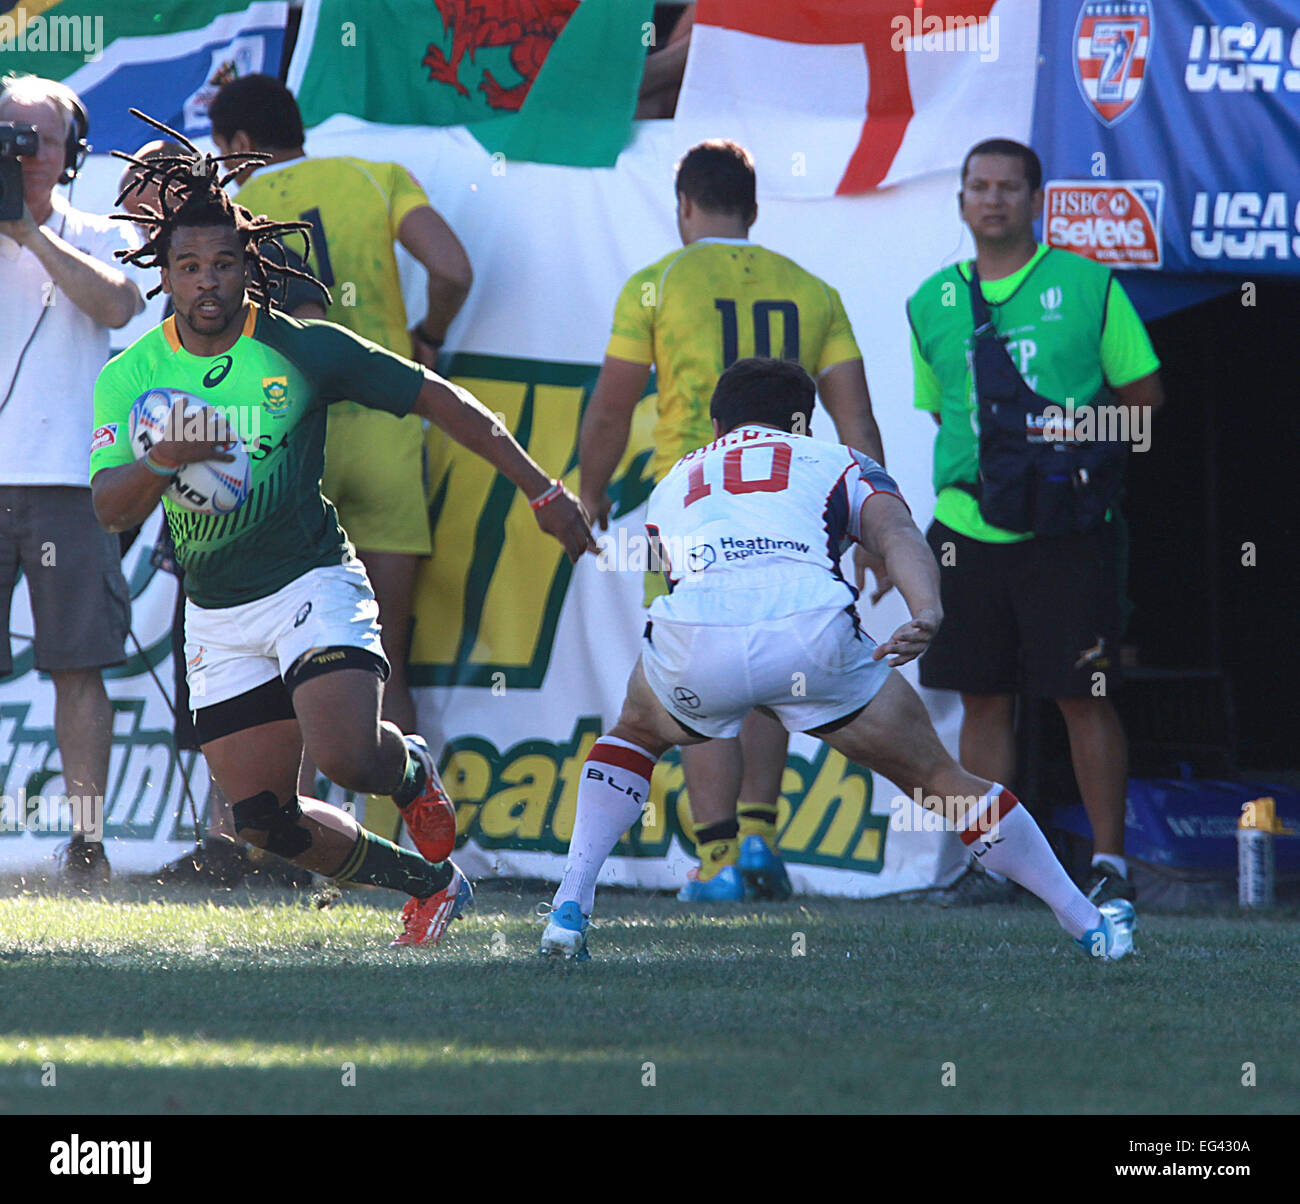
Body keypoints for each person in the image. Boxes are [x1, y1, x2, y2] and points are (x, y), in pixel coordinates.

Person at [90, 120, 595, 945]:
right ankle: (431, 886)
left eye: (223, 263)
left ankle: (407, 768)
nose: (207, 281)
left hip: (310, 582)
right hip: (218, 615)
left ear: (249, 264)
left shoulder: (303, 349)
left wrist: (542, 490)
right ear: (166, 275)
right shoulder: (131, 376)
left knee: (350, 756)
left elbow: (438, 397)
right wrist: (166, 459)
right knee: (262, 821)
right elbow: (111, 507)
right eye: (189, 266)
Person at [541, 358, 1135, 962]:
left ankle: (569, 908)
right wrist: (925, 608)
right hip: (810, 633)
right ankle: (1089, 923)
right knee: (939, 781)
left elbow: (681, 570)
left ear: (717, 426)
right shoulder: (837, 459)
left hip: (698, 636)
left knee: (634, 734)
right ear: (805, 421)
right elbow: (898, 533)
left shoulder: (674, 479)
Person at [579, 138, 886, 902]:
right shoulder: (811, 288)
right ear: (754, 209)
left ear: (684, 205)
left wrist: (588, 493)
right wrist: (879, 525)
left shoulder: (658, 282)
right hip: (797, 503)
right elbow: (858, 421)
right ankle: (759, 839)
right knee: (775, 656)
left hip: (697, 500)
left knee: (700, 668)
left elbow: (612, 407)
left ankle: (715, 861)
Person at [208, 75, 474, 838]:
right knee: (385, 653)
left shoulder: (231, 211)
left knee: (270, 651)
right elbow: (454, 269)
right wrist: (425, 336)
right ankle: (413, 841)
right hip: (387, 433)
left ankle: (274, 837)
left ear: (234, 147)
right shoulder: (376, 177)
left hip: (290, 448)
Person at [906, 138, 1164, 907]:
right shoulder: (930, 301)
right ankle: (992, 865)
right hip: (965, 526)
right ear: (960, 201)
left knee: (1082, 694)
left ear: (1036, 199)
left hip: (1067, 527)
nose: (992, 200)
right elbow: (943, 415)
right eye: (978, 186)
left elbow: (1147, 413)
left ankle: (1110, 864)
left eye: (1008, 188)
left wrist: (1075, 433)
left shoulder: (1088, 284)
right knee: (980, 697)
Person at [118, 139, 324, 887]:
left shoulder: (244, 285)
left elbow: (307, 337)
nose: (136, 214)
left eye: (144, 197)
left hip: (282, 514)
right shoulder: (165, 294)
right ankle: (229, 838)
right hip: (197, 518)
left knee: (289, 673)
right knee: (219, 679)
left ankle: (283, 841)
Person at [0, 74, 145, 886]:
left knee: (77, 665)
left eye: (37, 140)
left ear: (70, 154)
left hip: (66, 482)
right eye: (7, 137)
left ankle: (86, 842)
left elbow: (122, 306)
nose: (21, 153)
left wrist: (31, 233)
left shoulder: (94, 229)